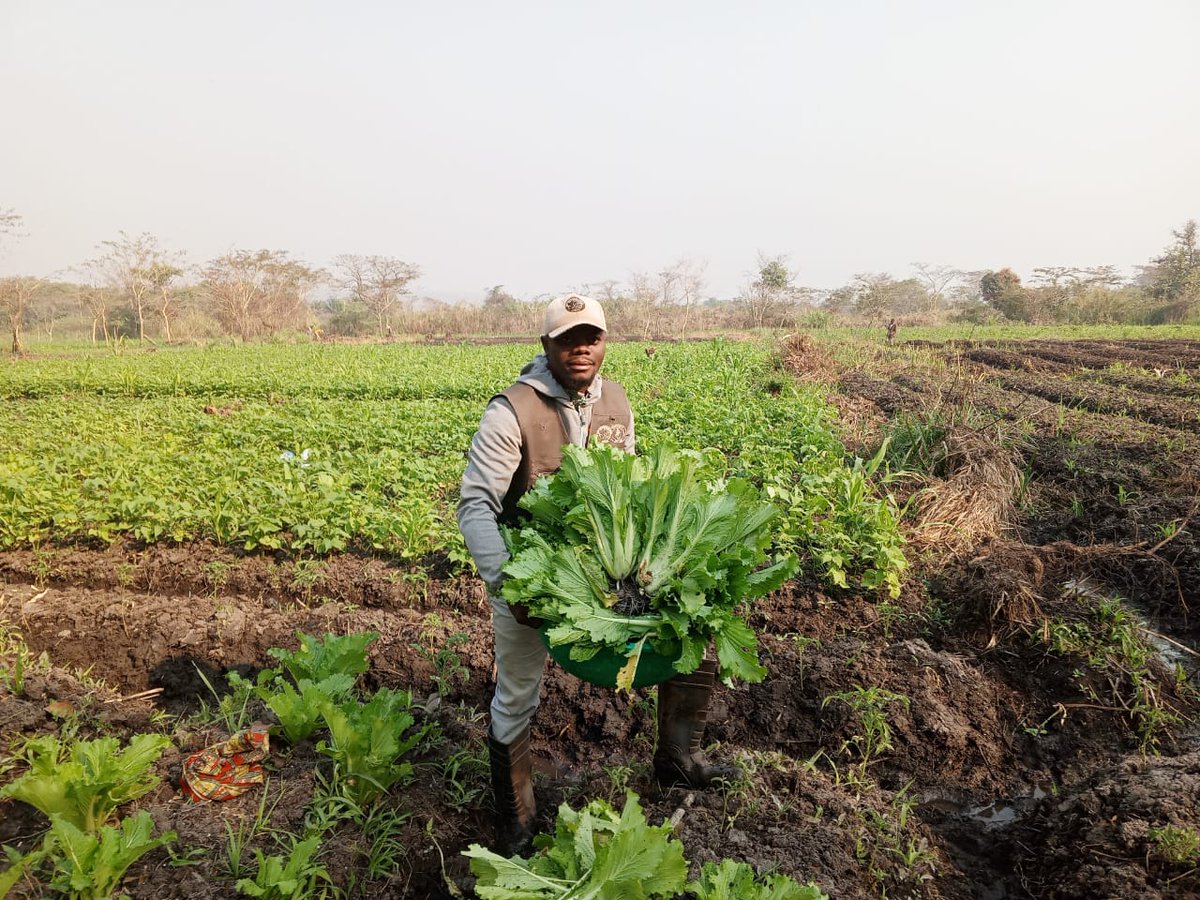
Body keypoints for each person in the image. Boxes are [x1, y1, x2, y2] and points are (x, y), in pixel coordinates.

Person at [457, 294, 739, 856]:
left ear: (604, 343)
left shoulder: (616, 400)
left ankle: (679, 760)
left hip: (612, 569)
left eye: (591, 337)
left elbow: (629, 490)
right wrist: (507, 584)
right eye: (567, 339)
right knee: (517, 691)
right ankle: (515, 814)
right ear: (546, 347)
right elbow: (474, 507)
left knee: (696, 635)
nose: (581, 348)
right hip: (536, 577)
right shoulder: (511, 410)